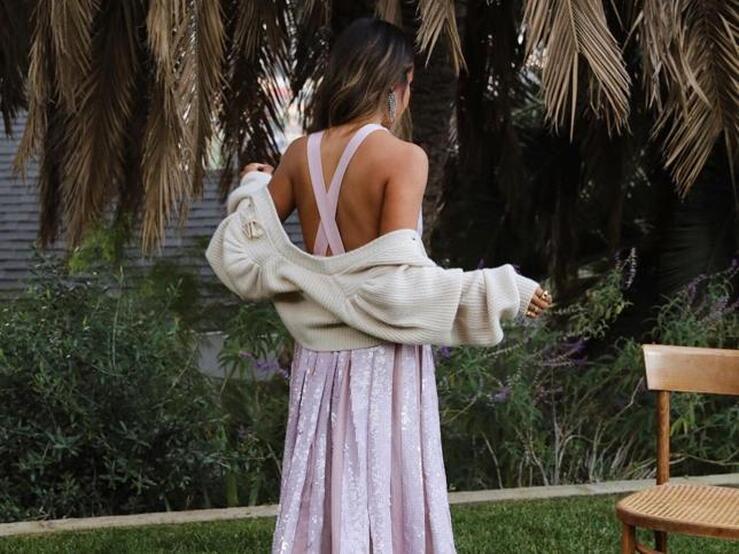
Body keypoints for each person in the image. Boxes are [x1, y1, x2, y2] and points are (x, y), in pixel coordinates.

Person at [208, 16, 552, 554]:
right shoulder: (404, 158)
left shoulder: (298, 155)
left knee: (325, 484)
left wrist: (254, 187)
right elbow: (395, 288)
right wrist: (501, 290)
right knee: (388, 485)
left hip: (318, 361)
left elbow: (242, 249)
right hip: (384, 358)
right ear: (397, 85)